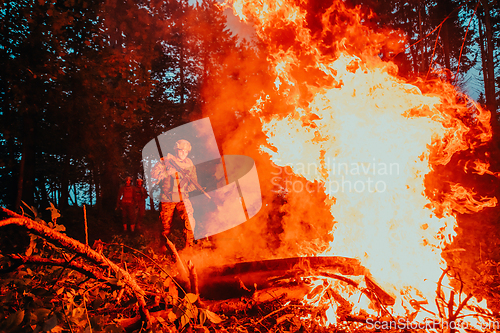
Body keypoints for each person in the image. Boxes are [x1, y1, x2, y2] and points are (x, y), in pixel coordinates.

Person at [152, 139, 198, 251]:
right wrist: (167, 172)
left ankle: (189, 247)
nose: (183, 153)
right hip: (168, 197)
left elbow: (194, 182)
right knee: (166, 226)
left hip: (183, 197)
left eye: (186, 151)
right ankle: (163, 246)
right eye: (181, 150)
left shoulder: (189, 164)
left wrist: (186, 189)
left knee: (189, 221)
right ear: (176, 150)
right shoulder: (166, 161)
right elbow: (154, 174)